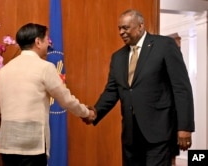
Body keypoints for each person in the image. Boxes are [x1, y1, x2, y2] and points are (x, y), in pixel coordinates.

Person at [83, 9, 195, 166]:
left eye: (126, 28)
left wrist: (185, 127)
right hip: (131, 136)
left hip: (160, 134)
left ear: (140, 26)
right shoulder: (117, 57)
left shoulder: (164, 46)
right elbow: (111, 91)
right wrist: (95, 112)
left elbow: (181, 88)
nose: (121, 32)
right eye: (119, 28)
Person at [0, 23, 96, 166]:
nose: (48, 44)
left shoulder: (5, 70)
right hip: (33, 146)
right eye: (46, 40)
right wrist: (86, 113)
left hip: (7, 144)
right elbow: (66, 100)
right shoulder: (45, 67)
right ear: (38, 42)